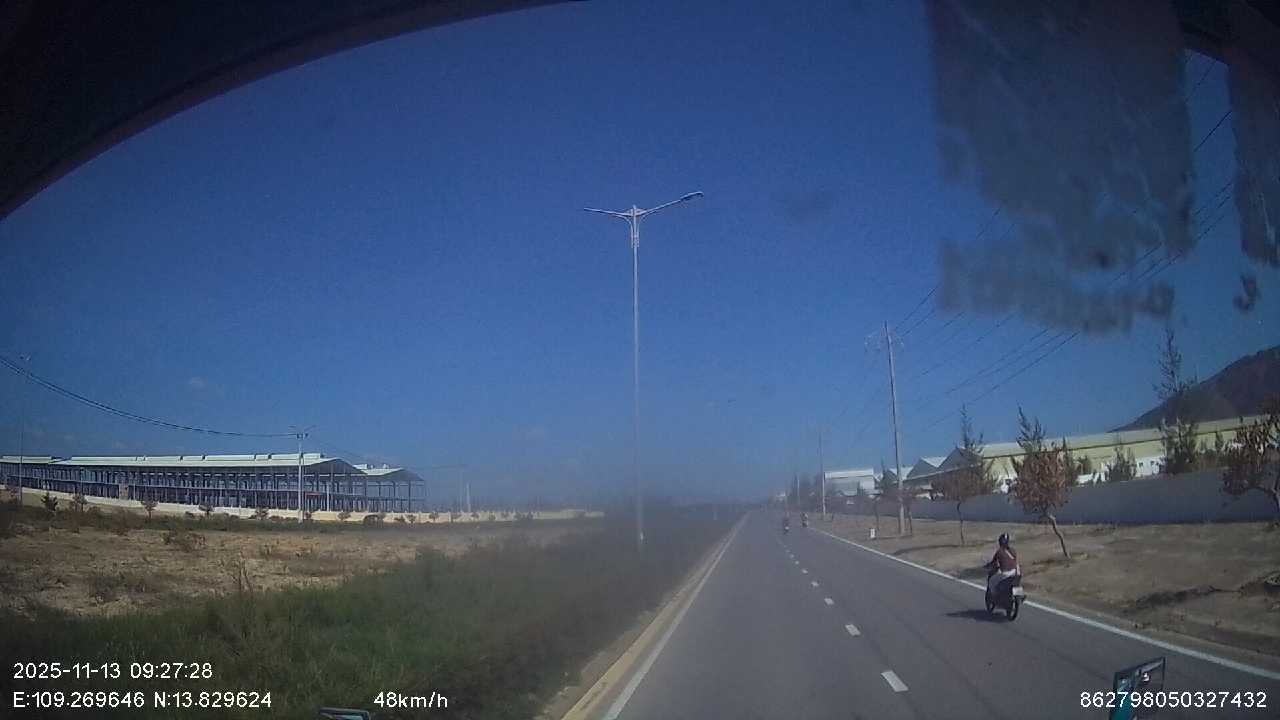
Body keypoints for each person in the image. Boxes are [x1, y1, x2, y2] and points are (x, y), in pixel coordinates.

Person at [985, 532, 1019, 598]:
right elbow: (1014, 560)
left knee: (991, 581)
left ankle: (993, 595)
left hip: (1006, 573)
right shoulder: (1013, 550)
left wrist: (987, 566)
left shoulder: (999, 551)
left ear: (1000, 542)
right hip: (1015, 572)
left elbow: (993, 562)